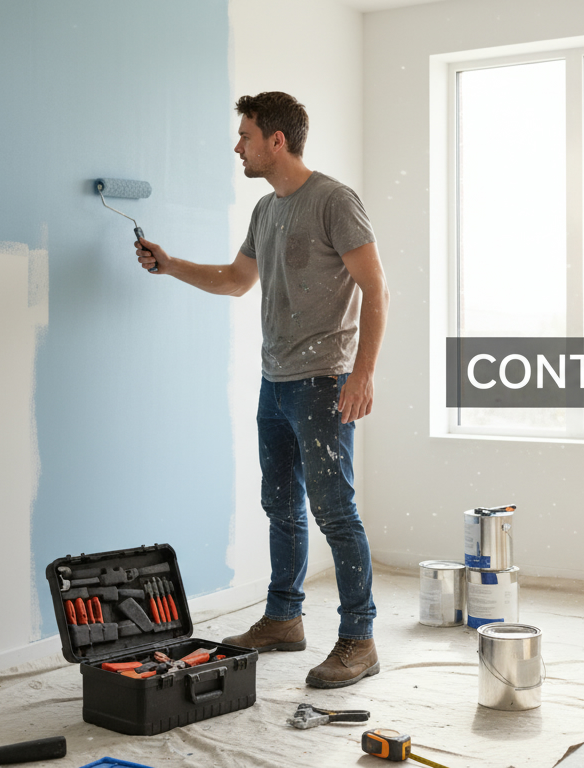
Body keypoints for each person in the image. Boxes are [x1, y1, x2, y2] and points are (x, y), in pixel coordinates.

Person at [132, 92, 390, 686]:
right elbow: (236, 280)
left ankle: (359, 638)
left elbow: (375, 289)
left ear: (276, 139)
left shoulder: (333, 200)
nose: (237, 146)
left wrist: (363, 373)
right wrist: (170, 265)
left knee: (335, 511)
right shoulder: (266, 210)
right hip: (275, 384)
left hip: (324, 382)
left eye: (245, 135)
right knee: (281, 505)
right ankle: (283, 619)